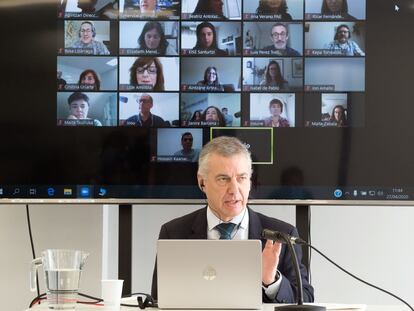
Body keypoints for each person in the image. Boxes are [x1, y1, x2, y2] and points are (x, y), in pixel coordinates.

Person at [151, 136, 314, 303]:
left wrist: (271, 280)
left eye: (241, 178)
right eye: (224, 179)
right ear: (202, 182)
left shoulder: (283, 235)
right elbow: (159, 299)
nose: (234, 190)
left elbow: (306, 299)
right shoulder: (173, 233)